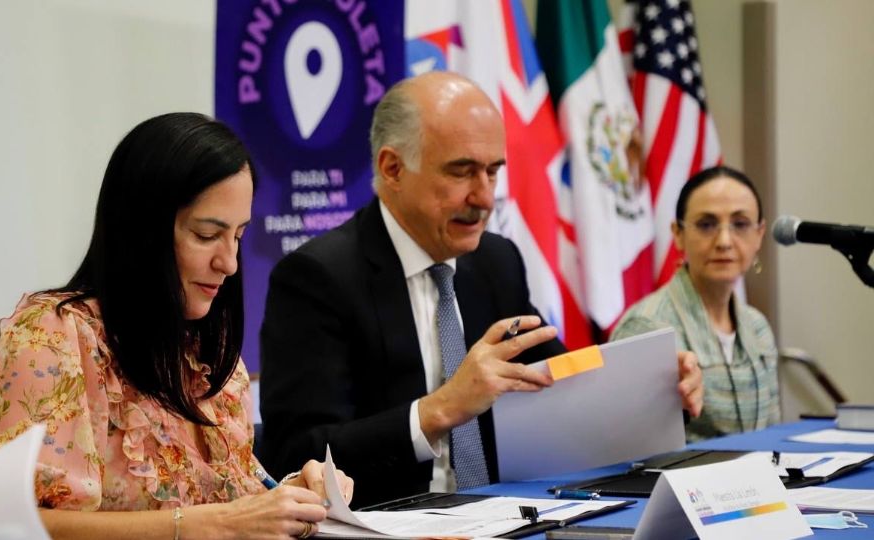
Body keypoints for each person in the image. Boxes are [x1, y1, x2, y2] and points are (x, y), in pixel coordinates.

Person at [259, 71, 703, 507]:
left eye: (493, 172)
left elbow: (557, 375)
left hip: (509, 511)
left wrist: (654, 384)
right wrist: (440, 409)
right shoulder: (318, 277)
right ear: (392, 168)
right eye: (462, 172)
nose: (485, 197)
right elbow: (297, 454)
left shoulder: (496, 261)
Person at [0, 113, 353, 540]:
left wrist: (291, 499)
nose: (228, 263)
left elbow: (234, 511)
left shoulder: (211, 354)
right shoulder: (54, 337)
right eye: (208, 235)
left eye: (239, 236)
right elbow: (3, 525)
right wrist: (198, 526)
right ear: (142, 232)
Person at [612, 165, 779, 441]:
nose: (724, 241)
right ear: (678, 234)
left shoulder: (757, 326)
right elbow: (625, 446)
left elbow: (773, 436)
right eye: (706, 225)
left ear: (759, 234)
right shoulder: (647, 327)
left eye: (740, 224)